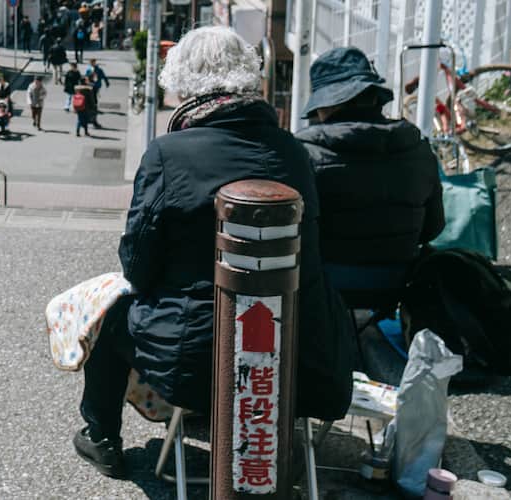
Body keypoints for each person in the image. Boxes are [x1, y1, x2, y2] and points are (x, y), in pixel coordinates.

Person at [73, 26, 353, 479]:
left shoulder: (169, 154)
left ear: (182, 81)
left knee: (111, 313)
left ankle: (102, 434)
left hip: (197, 368)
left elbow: (137, 266)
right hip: (302, 359)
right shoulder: (294, 151)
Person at [294, 47, 445, 287]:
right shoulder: (418, 148)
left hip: (325, 282)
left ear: (326, 106)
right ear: (374, 97)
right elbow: (433, 228)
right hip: (399, 280)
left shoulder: (304, 154)